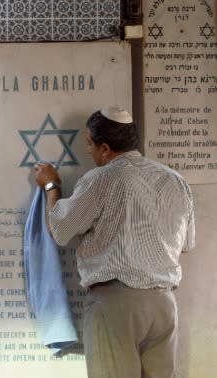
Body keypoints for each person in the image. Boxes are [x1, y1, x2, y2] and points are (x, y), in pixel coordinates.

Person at [34, 106, 195, 378]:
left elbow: (59, 229)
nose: (88, 151)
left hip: (116, 306)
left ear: (106, 149)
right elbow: (186, 244)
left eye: (89, 144)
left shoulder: (102, 178)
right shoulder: (176, 181)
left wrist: (51, 186)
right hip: (164, 305)